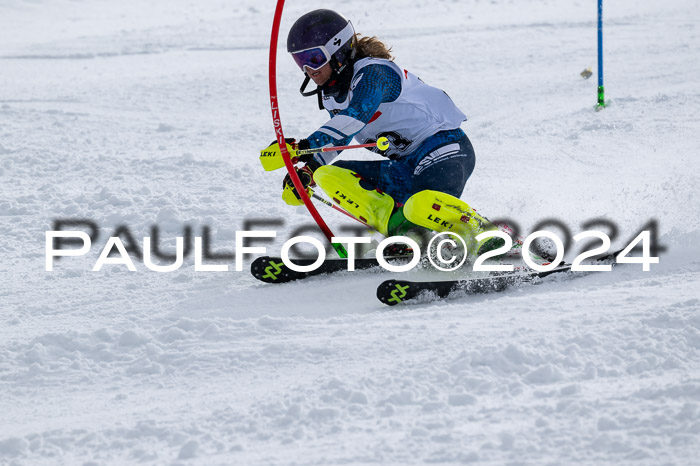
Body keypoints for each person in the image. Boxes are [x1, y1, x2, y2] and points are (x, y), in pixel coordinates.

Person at [264, 9, 500, 255]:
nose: (309, 70)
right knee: (329, 175)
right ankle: (407, 234)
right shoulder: (333, 94)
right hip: (405, 165)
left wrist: (303, 147)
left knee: (421, 204)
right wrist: (308, 170)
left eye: (314, 58)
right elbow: (341, 135)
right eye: (300, 62)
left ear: (338, 50)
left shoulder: (375, 73)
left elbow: (356, 116)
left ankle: (488, 237)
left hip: (445, 150)